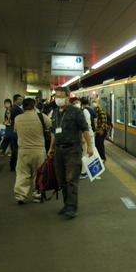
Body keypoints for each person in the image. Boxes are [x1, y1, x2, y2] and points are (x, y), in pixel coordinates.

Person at [48, 87, 94, 219]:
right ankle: (66, 204)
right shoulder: (55, 112)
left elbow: (85, 129)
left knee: (71, 179)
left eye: (61, 97)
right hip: (58, 149)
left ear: (68, 97)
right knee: (61, 179)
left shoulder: (76, 112)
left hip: (73, 149)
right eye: (56, 97)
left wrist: (89, 146)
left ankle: (72, 207)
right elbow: (53, 132)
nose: (58, 99)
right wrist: (51, 148)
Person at [13, 98, 51, 205]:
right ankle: (37, 195)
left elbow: (16, 130)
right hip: (38, 150)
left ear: (23, 107)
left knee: (22, 173)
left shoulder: (17, 118)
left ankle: (20, 195)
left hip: (23, 151)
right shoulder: (41, 116)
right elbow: (51, 125)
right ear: (34, 106)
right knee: (38, 173)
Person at [8, 94, 24, 171]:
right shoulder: (15, 109)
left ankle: (13, 165)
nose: (21, 101)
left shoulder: (15, 108)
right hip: (14, 132)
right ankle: (13, 166)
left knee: (15, 149)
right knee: (15, 149)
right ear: (15, 100)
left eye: (21, 99)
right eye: (19, 99)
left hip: (13, 131)